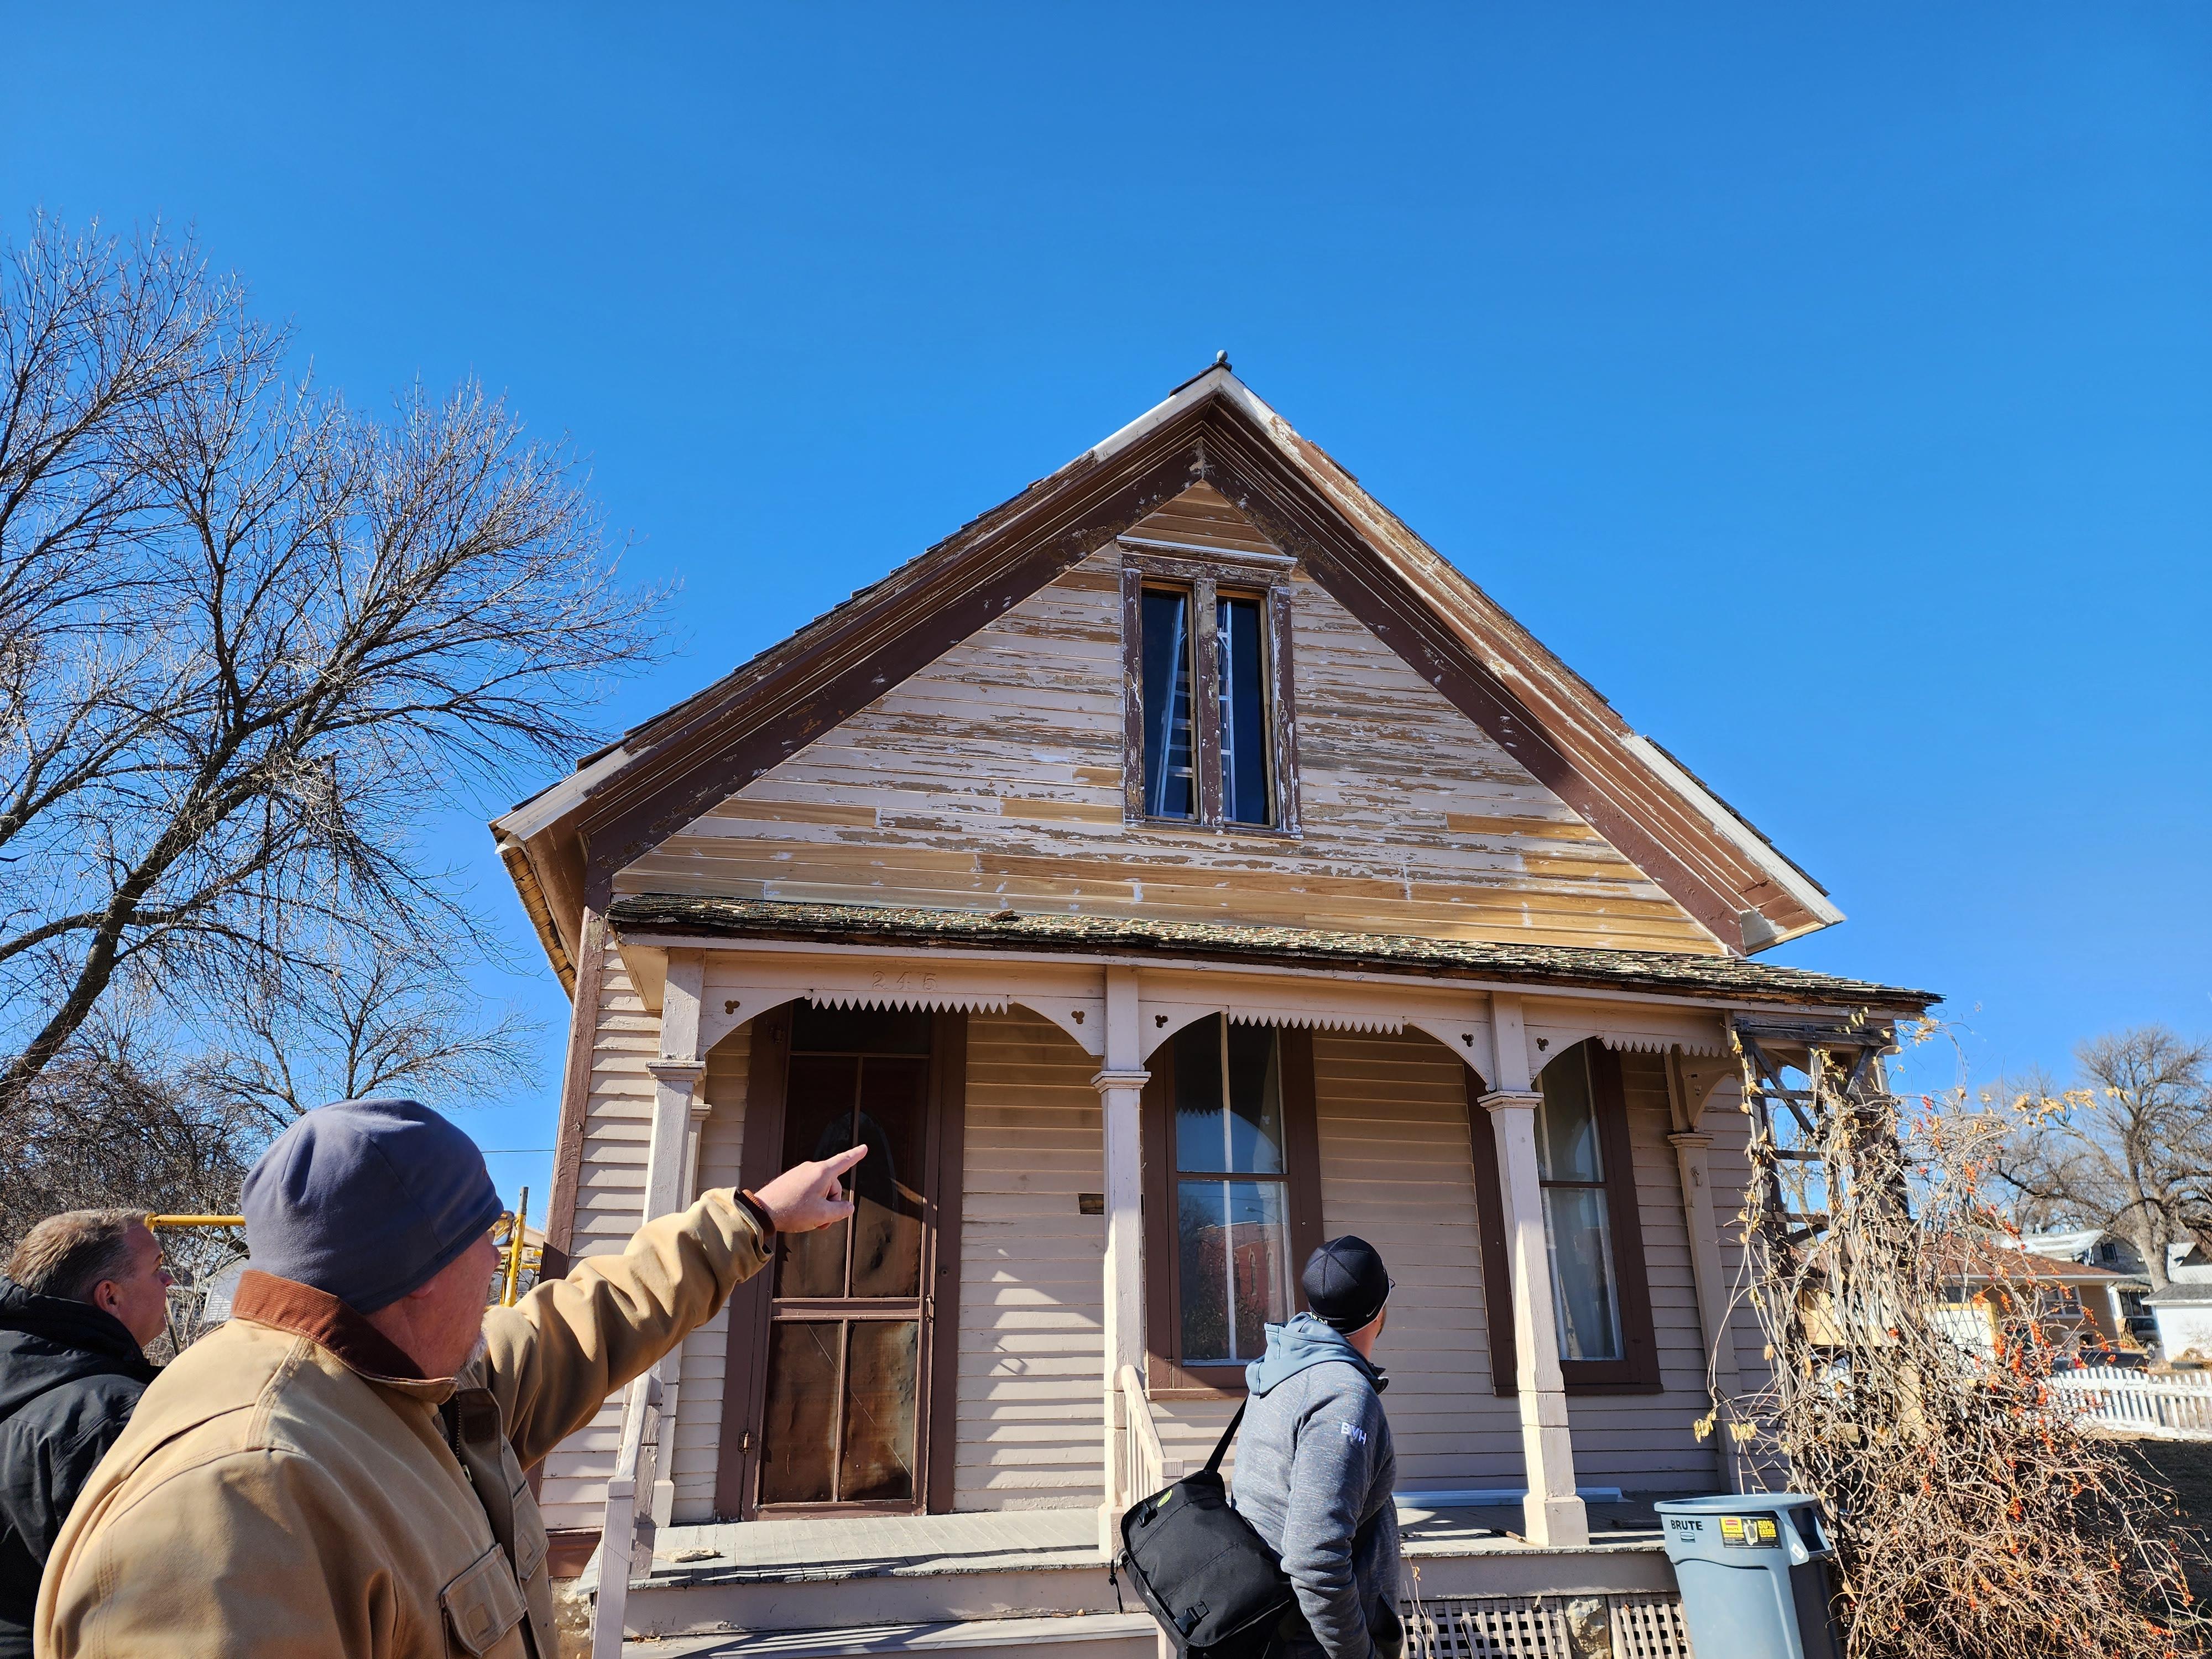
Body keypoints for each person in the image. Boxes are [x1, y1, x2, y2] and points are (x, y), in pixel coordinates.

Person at [35, 1097, 865, 1658]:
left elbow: (586, 1320)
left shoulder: (410, 1388)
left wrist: (755, 1216)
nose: (501, 1259)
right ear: (422, 1269)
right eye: (485, 1235)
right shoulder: (239, 1498)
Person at [0, 1212, 173, 1659]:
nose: (170, 1280)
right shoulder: (114, 1418)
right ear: (110, 1298)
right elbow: (153, 1598)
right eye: (157, 1268)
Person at [1233, 1236, 1404, 1659]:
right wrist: (1359, 1653)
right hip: (1310, 1643)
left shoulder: (1282, 1366)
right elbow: (1316, 1558)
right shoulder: (1343, 1396)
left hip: (1270, 1624)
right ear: (1379, 1309)